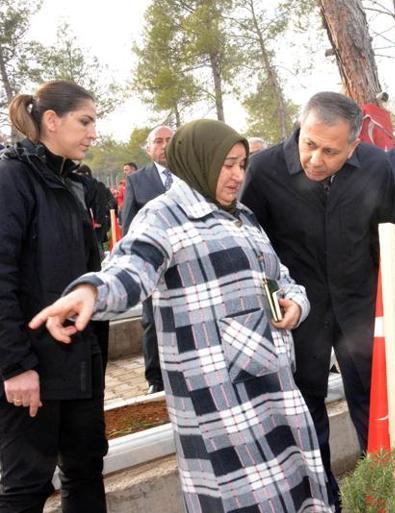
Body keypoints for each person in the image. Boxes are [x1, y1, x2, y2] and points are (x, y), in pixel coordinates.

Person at [30, 119, 331, 513]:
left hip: (272, 383)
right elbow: (131, 268)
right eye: (227, 164)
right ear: (198, 160)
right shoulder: (164, 217)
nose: (237, 175)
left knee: (292, 490)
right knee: (242, 500)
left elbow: (282, 279)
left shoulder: (244, 216)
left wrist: (295, 304)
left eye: (242, 164)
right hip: (220, 399)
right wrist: (91, 292)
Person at [240, 92, 395, 510]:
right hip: (298, 316)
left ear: (354, 144)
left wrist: (391, 310)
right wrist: (276, 308)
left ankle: (377, 491)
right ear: (300, 127)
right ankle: (320, 495)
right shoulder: (265, 169)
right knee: (305, 407)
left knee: (370, 401)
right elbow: (256, 250)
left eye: (330, 151)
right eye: (309, 143)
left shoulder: (378, 168)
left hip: (359, 308)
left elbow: (388, 240)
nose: (314, 158)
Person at [0, 80, 107, 513]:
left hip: (80, 364)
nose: (93, 132)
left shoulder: (74, 182)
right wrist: (15, 366)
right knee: (27, 486)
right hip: (33, 369)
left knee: (85, 472)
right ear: (50, 120)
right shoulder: (12, 178)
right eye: (85, 121)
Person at [121, 125, 175, 394]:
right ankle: (155, 378)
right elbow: (128, 223)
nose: (164, 145)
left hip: (186, 261)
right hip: (153, 264)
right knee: (152, 321)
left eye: (170, 140)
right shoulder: (137, 180)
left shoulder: (190, 175)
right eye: (159, 141)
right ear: (148, 148)